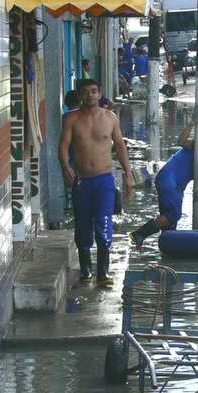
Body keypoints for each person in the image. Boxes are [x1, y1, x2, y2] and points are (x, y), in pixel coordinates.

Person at [58, 79, 133, 286]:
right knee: (82, 227)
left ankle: (103, 273)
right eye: (85, 92)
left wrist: (128, 175)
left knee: (104, 223)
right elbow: (63, 146)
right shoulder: (71, 119)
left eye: (94, 91)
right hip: (82, 182)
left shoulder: (110, 118)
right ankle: (86, 269)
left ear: (100, 94)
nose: (90, 95)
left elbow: (120, 146)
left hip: (104, 181)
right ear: (80, 95)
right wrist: (66, 167)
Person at [129, 107, 198, 248]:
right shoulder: (197, 146)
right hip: (169, 180)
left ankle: (166, 249)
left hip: (172, 183)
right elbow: (181, 141)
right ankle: (139, 234)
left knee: (170, 220)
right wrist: (192, 122)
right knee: (173, 215)